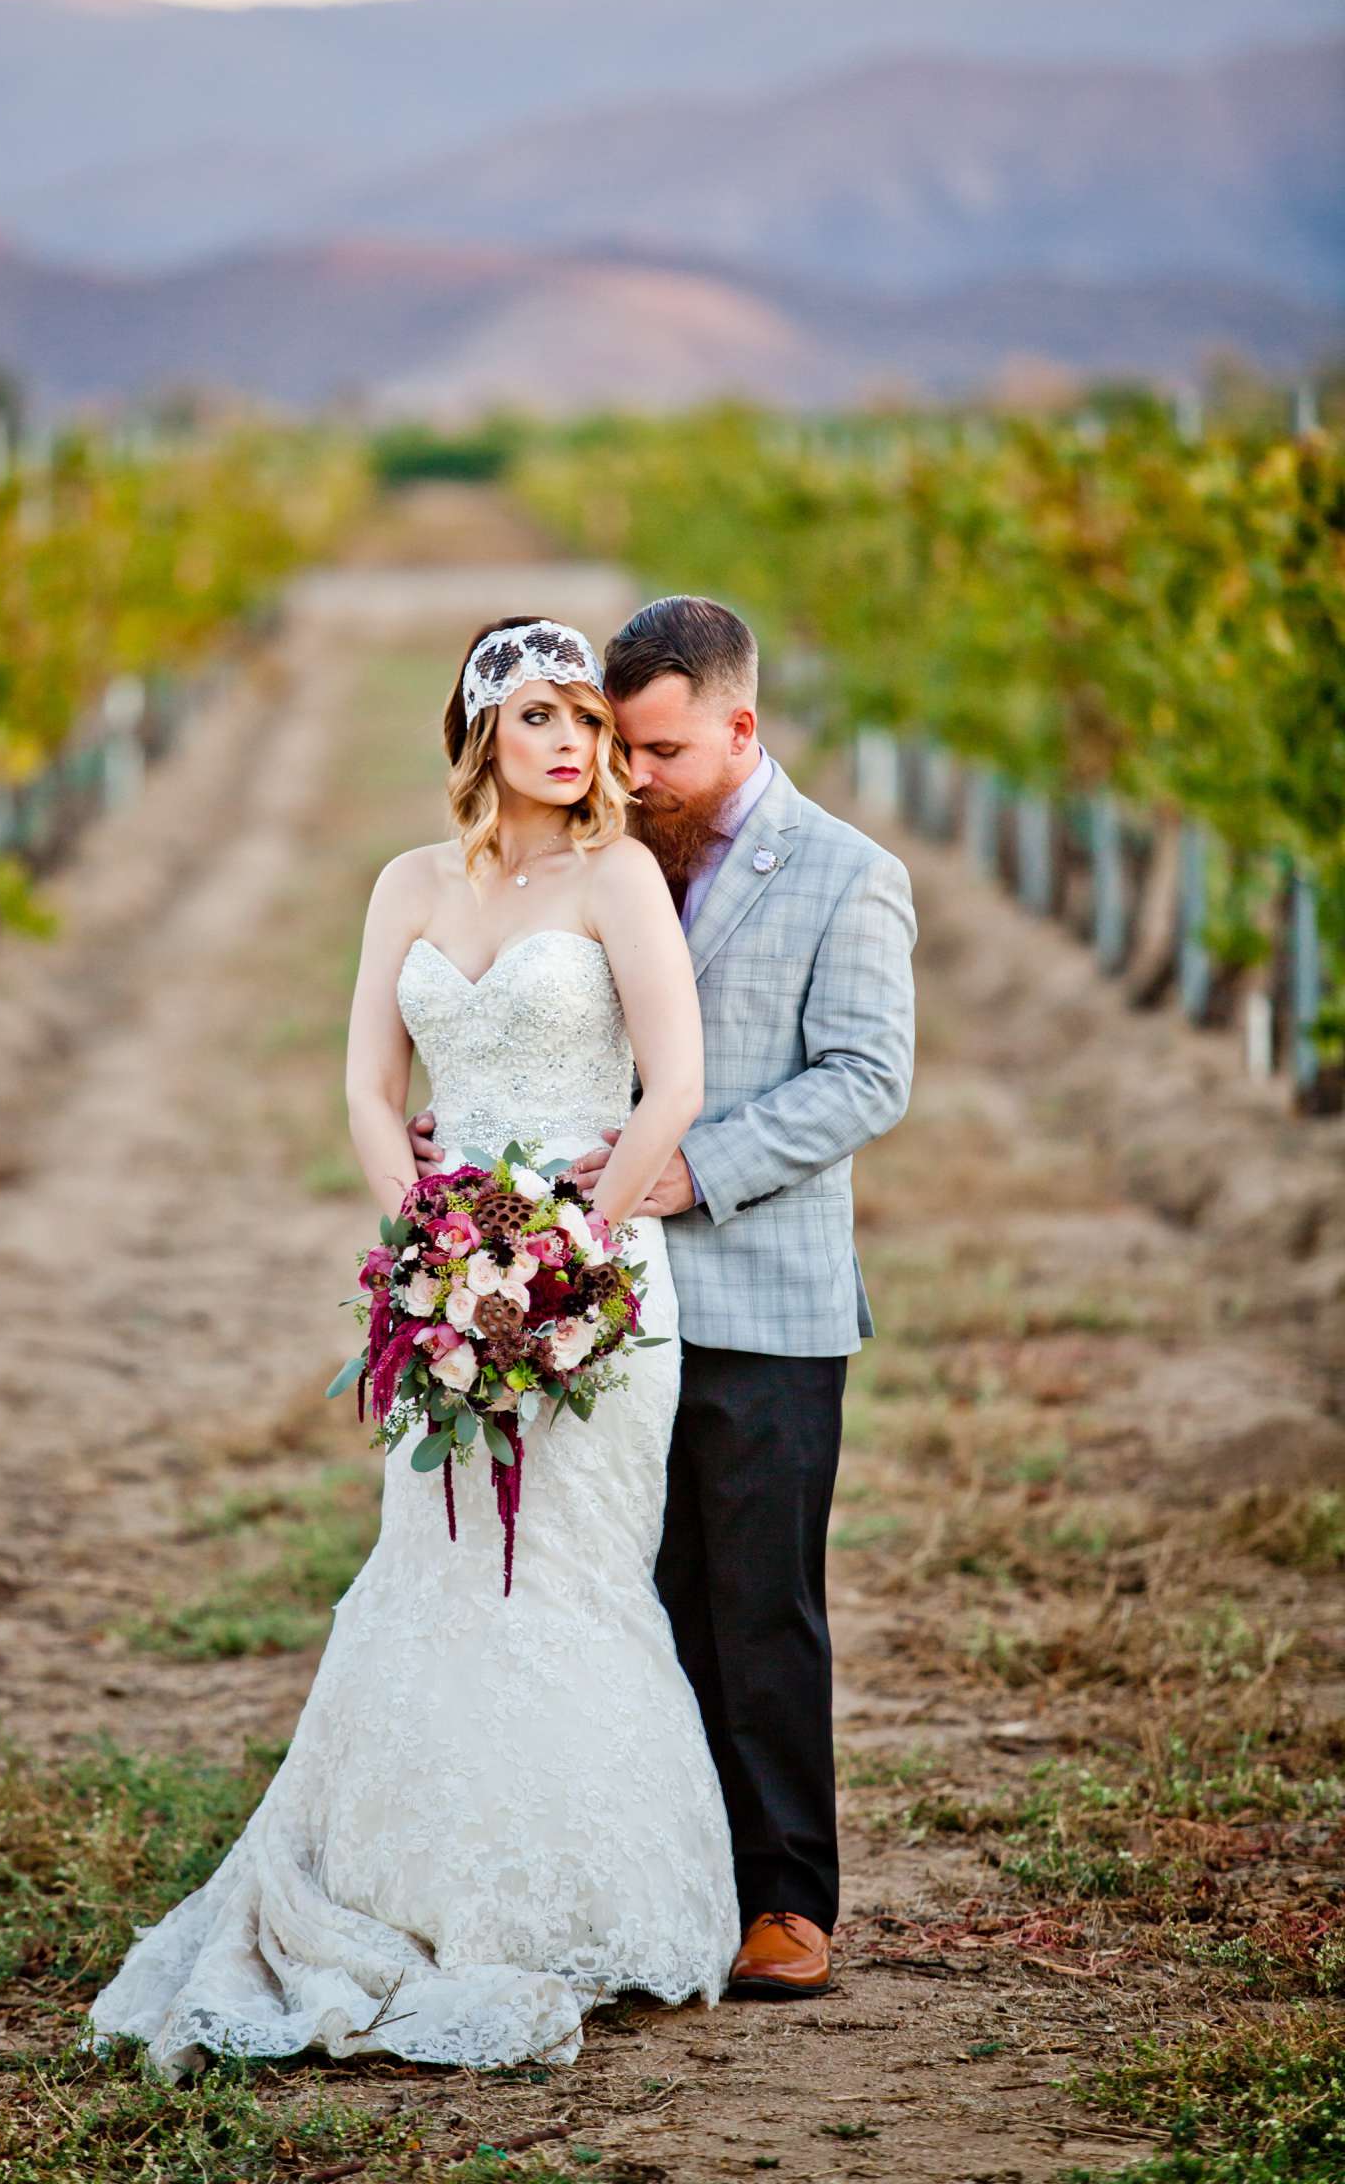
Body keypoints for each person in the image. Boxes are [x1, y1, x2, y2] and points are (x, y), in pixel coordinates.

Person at [85, 616, 738, 2078]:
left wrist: (564, 1253)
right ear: (481, 738)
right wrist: (434, 1251)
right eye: (541, 722)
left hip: (595, 1278)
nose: (574, 746)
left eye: (587, 720)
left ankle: (577, 1889)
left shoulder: (619, 874)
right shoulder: (407, 886)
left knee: (568, 1576)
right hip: (448, 1277)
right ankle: (408, 1885)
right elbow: (372, 1087)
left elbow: (675, 1081)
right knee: (438, 1570)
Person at [414, 594, 918, 2000]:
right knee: (631, 1594)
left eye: (663, 752)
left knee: (759, 1600)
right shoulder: (607, 853)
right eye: (619, 751)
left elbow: (869, 1078)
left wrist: (695, 1171)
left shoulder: (849, 875)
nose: (635, 778)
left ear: (742, 727)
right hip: (604, 1302)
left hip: (764, 1294)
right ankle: (662, 1876)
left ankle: (785, 1902)